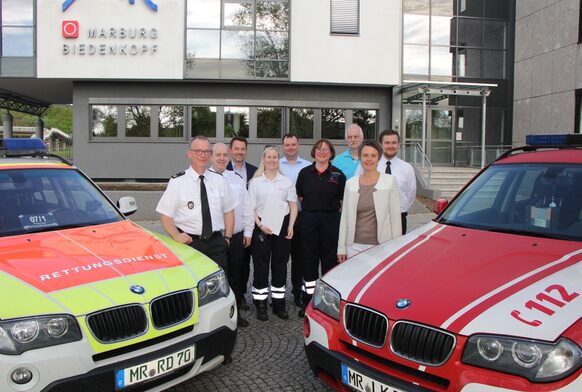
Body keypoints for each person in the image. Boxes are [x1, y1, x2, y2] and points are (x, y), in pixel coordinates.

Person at [156, 136, 235, 270]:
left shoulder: (220, 181)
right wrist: (176, 235)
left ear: (210, 155)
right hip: (190, 243)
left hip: (217, 243)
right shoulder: (178, 182)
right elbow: (165, 214)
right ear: (189, 153)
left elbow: (229, 211)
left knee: (218, 284)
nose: (202, 155)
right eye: (198, 151)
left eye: (206, 151)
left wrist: (227, 239)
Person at [296, 139, 346, 317]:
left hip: (331, 221)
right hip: (309, 220)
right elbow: (300, 195)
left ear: (331, 153)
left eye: (325, 149)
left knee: (329, 263)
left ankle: (327, 303)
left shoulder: (338, 175)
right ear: (313, 152)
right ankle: (307, 302)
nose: (322, 152)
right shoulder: (304, 173)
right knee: (308, 262)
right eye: (319, 149)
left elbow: (342, 200)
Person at [248, 145, 298, 321]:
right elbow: (251, 208)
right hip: (261, 227)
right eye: (268, 157)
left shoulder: (286, 182)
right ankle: (260, 303)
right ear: (263, 159)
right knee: (261, 266)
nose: (271, 160)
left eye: (275, 157)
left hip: (282, 227)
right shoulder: (255, 182)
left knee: (280, 265)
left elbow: (293, 206)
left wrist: (291, 226)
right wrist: (260, 225)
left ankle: (278, 303)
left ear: (278, 159)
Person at [210, 143, 253, 328]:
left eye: (224, 155)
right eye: (217, 154)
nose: (221, 158)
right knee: (215, 277)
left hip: (235, 236)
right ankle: (215, 316)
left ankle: (234, 313)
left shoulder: (235, 179)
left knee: (235, 275)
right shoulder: (204, 179)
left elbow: (246, 206)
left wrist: (248, 231)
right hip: (213, 238)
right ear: (211, 156)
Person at [338, 140, 402, 262]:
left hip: (382, 246)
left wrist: (396, 247)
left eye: (373, 155)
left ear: (379, 159)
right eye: (365, 155)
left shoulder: (390, 182)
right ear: (360, 157)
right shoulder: (350, 184)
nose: (369, 159)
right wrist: (341, 248)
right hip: (354, 246)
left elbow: (395, 218)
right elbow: (344, 218)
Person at [355, 130, 416, 234]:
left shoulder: (407, 168)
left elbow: (411, 194)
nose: (390, 146)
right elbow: (357, 188)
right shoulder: (367, 164)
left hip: (398, 218)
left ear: (398, 144)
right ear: (380, 144)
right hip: (372, 217)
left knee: (397, 248)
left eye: (394, 143)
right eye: (387, 143)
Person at [279, 133, 311, 307]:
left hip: (300, 216)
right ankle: (279, 293)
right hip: (280, 217)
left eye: (293, 144)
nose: (290, 147)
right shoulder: (276, 165)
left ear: (298, 145)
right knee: (280, 258)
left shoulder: (307, 166)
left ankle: (297, 292)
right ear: (283, 146)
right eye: (287, 145)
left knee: (299, 258)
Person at [226, 135, 257, 306]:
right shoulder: (222, 170)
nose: (239, 152)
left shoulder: (255, 171)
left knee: (244, 263)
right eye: (236, 149)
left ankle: (241, 294)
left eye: (242, 149)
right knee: (229, 264)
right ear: (231, 150)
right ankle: (229, 297)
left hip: (249, 225)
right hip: (229, 228)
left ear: (246, 151)